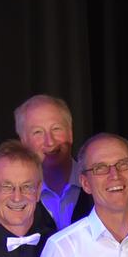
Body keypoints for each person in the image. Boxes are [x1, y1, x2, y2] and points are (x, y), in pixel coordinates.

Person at [17, 94, 92, 226]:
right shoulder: (15, 197)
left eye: (56, 129)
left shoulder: (100, 182)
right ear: (23, 142)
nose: (50, 141)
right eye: (38, 132)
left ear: (71, 133)